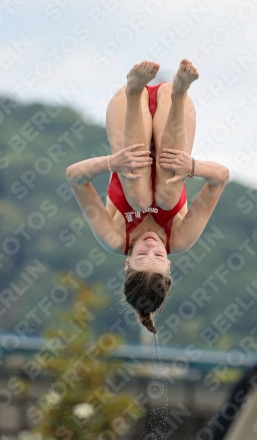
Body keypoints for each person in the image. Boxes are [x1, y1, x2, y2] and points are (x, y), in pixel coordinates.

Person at [66, 59, 229, 334]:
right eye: (158, 254)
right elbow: (220, 178)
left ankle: (134, 89)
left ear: (128, 262)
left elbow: (75, 177)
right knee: (166, 198)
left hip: (129, 111)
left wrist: (110, 163)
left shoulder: (116, 238)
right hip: (172, 110)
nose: (152, 245)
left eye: (143, 253)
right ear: (169, 264)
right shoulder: (181, 238)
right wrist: (194, 167)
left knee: (140, 199)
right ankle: (179, 92)